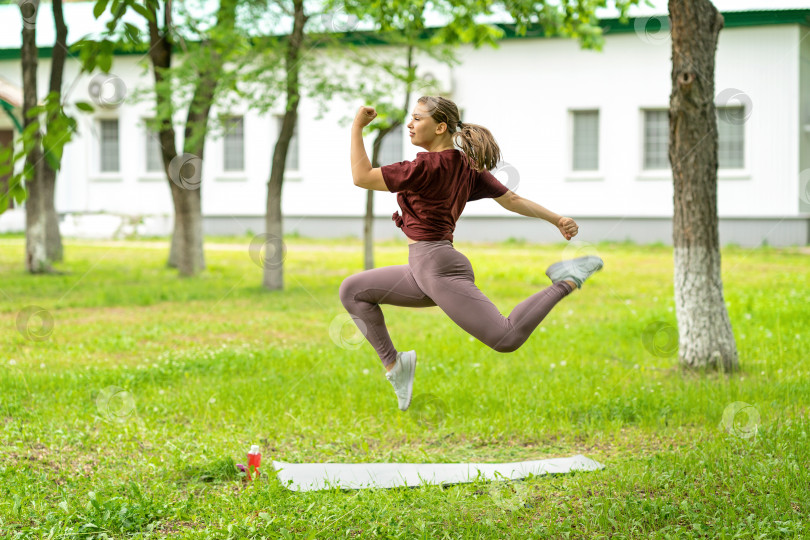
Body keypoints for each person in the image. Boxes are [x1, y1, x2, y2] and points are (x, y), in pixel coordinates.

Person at [341, 96, 603, 412]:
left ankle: (566, 280)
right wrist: (556, 219)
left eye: (417, 119)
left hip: (436, 268)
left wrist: (357, 127)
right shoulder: (466, 165)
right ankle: (395, 365)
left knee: (506, 337)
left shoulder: (424, 167)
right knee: (353, 291)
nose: (410, 124)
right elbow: (512, 199)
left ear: (440, 127)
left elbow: (361, 177)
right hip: (427, 269)